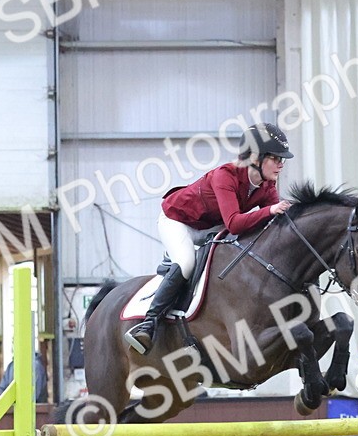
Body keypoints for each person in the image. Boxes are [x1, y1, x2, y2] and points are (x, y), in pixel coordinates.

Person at [124, 123, 295, 355]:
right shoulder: (226, 176)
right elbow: (235, 222)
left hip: (211, 227)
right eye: (275, 158)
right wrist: (270, 210)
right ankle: (148, 324)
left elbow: (270, 225)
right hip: (179, 222)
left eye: (281, 159)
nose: (281, 164)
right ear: (255, 157)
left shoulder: (266, 186)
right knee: (186, 263)